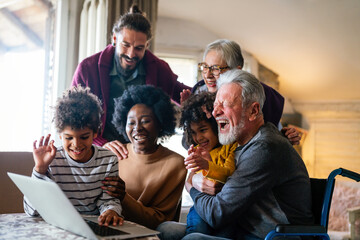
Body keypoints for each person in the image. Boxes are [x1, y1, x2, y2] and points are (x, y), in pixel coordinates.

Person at [157, 69, 314, 240]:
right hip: (242, 230)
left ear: (253, 111)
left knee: (193, 239)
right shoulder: (237, 143)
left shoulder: (264, 147)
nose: (215, 112)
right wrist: (195, 176)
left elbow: (216, 213)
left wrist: (191, 186)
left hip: (274, 236)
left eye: (225, 104)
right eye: (216, 105)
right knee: (165, 230)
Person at [72, 4, 190, 147]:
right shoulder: (87, 68)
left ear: (147, 45)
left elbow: (186, 94)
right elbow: (74, 117)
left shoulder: (159, 68)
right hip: (98, 148)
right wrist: (101, 144)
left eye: (139, 48)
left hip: (141, 150)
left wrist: (215, 87)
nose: (131, 54)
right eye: (125, 45)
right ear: (115, 39)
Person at [24, 86, 123, 227]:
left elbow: (108, 200)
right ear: (59, 135)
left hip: (93, 226)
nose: (76, 144)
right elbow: (31, 211)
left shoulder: (108, 160)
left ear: (95, 133)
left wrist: (111, 211)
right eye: (69, 137)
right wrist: (40, 169)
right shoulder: (52, 160)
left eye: (84, 137)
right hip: (58, 227)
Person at [180, 39, 300, 145]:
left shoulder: (257, 94)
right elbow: (187, 142)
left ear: (236, 71)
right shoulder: (198, 94)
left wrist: (285, 137)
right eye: (205, 67)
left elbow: (272, 136)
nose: (208, 75)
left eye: (216, 68)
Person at [101, 85, 187, 230]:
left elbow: (160, 222)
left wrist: (124, 197)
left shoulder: (176, 164)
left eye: (145, 121)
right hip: (108, 228)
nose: (137, 128)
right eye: (131, 123)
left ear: (160, 123)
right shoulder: (114, 154)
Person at [180, 92, 237, 237]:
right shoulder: (198, 151)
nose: (198, 138)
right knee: (196, 229)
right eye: (193, 132)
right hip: (200, 207)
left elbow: (228, 174)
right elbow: (191, 181)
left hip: (223, 210)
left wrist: (207, 165)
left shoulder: (230, 147)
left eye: (203, 130)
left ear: (216, 125)